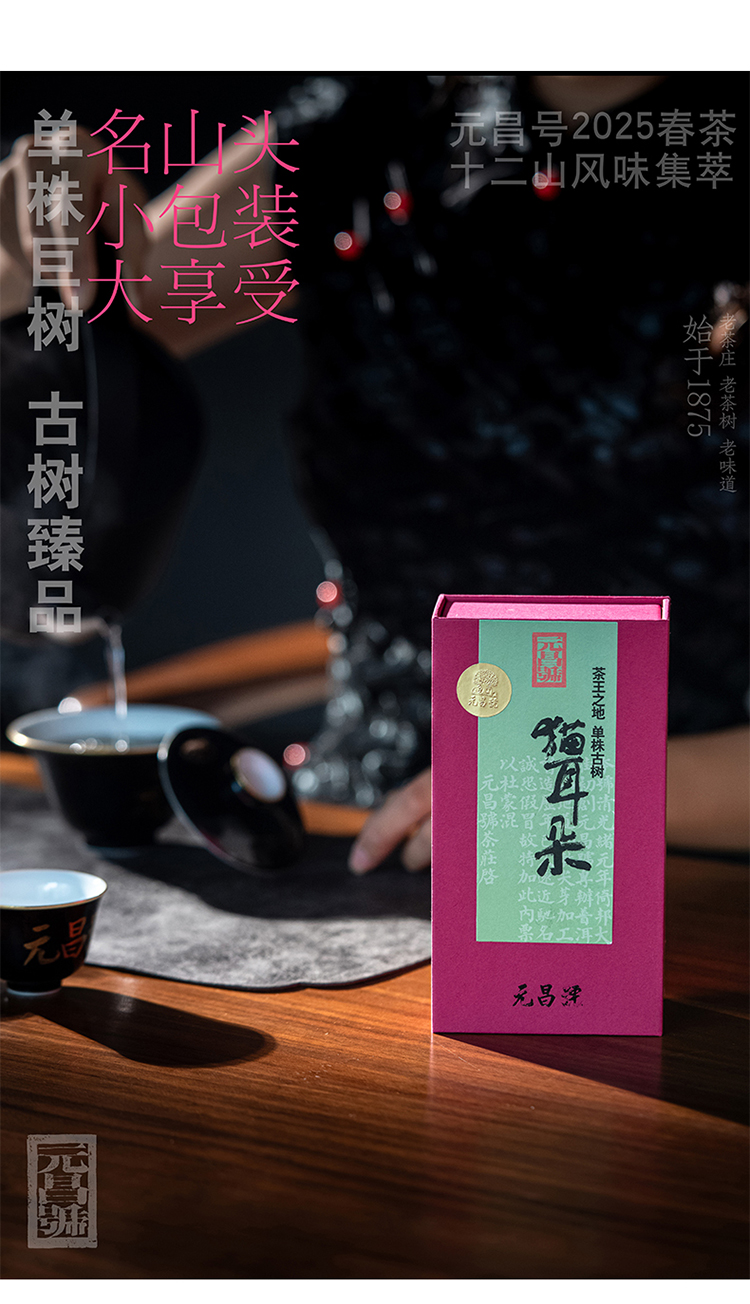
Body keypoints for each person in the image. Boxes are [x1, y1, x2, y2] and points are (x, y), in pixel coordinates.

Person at [1, 73, 747, 868]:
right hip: (363, 831)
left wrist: (572, 785)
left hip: (668, 855)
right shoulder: (364, 135)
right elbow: (73, 345)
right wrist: (25, 258)